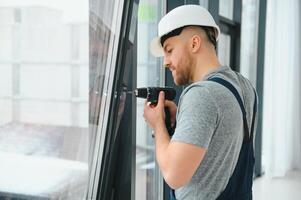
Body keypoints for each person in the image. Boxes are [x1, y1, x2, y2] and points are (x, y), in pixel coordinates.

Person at [143, 5, 258, 200]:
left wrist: (158, 125)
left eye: (169, 50)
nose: (166, 62)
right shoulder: (244, 86)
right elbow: (222, 143)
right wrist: (184, 119)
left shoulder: (201, 95)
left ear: (194, 43)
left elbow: (174, 175)